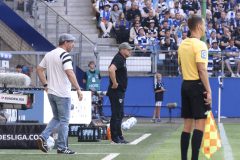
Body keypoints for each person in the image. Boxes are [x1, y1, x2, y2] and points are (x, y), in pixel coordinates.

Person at [36, 33, 83, 154]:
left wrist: (45, 85)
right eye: (72, 42)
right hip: (62, 93)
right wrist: (78, 88)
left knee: (57, 118)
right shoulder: (65, 55)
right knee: (64, 121)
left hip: (51, 92)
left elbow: (39, 69)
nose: (73, 45)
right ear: (66, 42)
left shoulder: (49, 54)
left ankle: (43, 136)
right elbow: (70, 72)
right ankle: (62, 147)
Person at [178, 15, 212, 160]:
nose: (205, 28)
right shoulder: (200, 45)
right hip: (197, 85)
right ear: (198, 26)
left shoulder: (183, 44)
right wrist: (208, 90)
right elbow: (202, 69)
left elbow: (180, 66)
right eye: (204, 25)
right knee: (200, 124)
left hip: (185, 84)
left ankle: (184, 158)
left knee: (187, 125)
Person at [107, 42, 132, 144]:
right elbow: (111, 69)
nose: (130, 51)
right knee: (116, 114)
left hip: (119, 91)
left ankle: (119, 136)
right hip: (116, 91)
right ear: (122, 50)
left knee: (120, 114)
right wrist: (115, 83)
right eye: (128, 49)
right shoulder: (119, 58)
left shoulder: (122, 59)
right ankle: (115, 137)